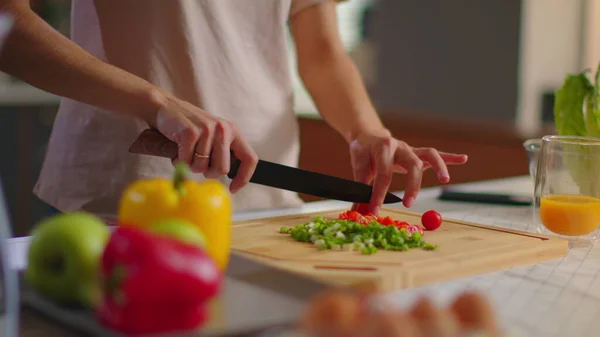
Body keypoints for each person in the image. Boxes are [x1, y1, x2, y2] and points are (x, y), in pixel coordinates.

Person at [0, 0, 468, 221]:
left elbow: (322, 47)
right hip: (128, 196)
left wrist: (364, 129)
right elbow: (8, 22)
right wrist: (156, 101)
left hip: (264, 201)